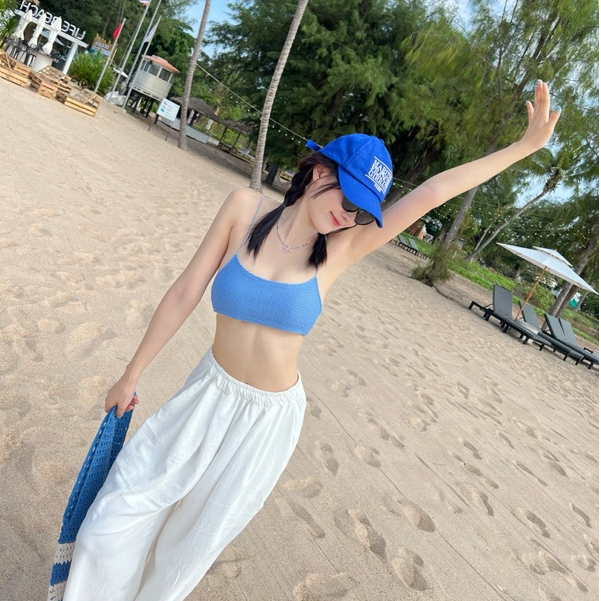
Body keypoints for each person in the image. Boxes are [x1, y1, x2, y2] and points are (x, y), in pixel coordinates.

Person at [62, 81, 560, 601]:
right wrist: (132, 374)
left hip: (267, 421)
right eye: (348, 201)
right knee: (116, 514)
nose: (349, 217)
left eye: (362, 212)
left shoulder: (341, 249)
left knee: (188, 547)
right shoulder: (243, 210)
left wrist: (521, 149)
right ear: (320, 172)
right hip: (208, 391)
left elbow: (433, 192)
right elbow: (186, 291)